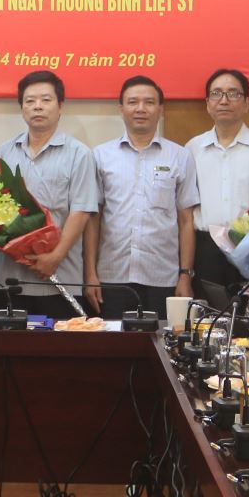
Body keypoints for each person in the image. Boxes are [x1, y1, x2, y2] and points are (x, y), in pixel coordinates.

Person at [84, 75, 199, 320]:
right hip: (112, 276)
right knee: (114, 340)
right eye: (133, 102)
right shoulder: (101, 155)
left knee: (161, 342)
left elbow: (186, 220)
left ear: (160, 109)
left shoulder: (180, 156)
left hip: (163, 277)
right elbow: (93, 219)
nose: (140, 108)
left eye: (149, 102)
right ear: (121, 108)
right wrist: (90, 273)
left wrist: (185, 275)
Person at [0, 71, 98, 316]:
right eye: (30, 101)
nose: (37, 106)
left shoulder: (79, 154)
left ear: (60, 106)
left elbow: (81, 211)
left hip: (59, 278)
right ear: (22, 107)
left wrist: (55, 256)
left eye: (46, 100)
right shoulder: (4, 152)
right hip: (8, 278)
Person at [187, 68, 249, 300]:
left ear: (246, 103)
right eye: (216, 93)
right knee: (207, 320)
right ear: (208, 103)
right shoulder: (192, 149)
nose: (224, 100)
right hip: (205, 252)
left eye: (233, 93)